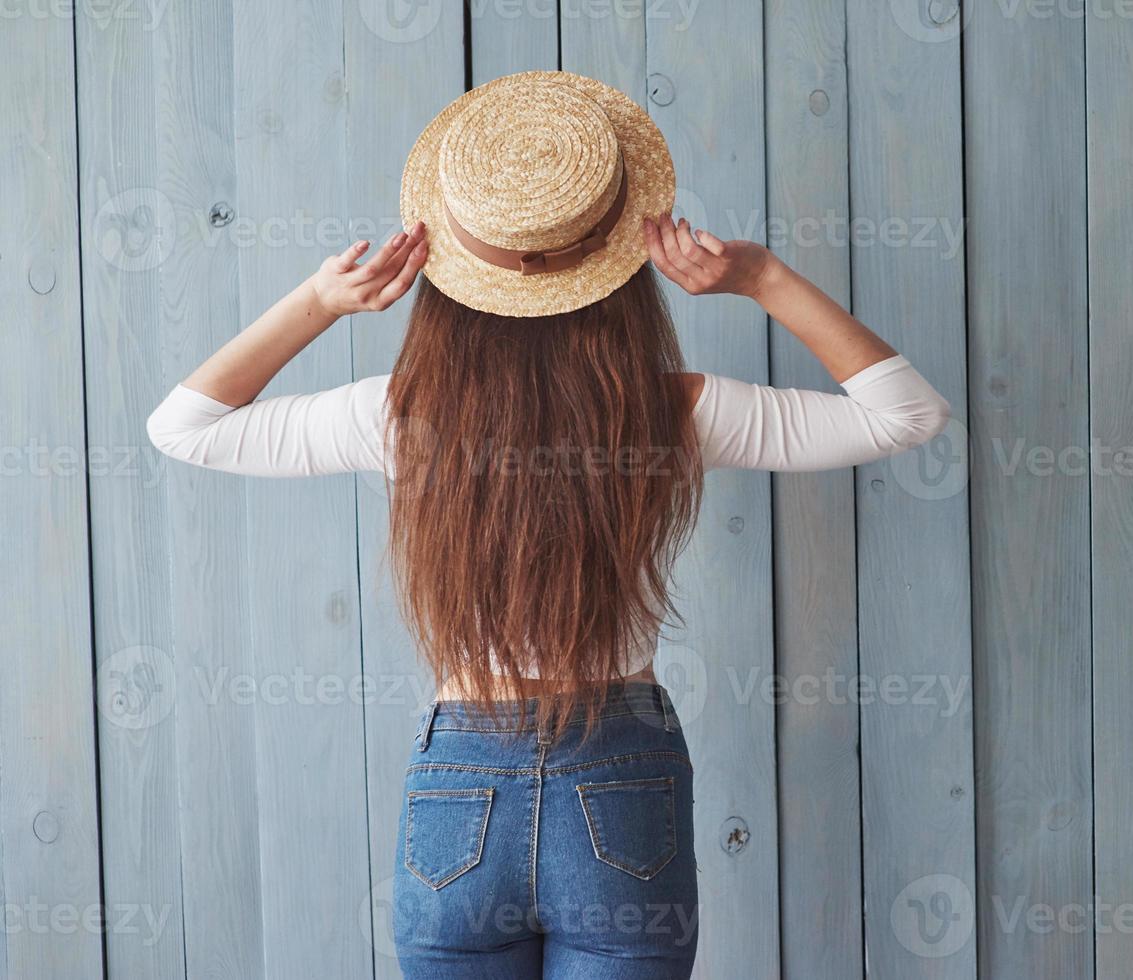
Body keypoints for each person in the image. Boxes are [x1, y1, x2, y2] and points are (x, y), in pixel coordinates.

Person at [147, 70, 950, 979]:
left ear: (446, 263)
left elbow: (182, 428)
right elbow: (905, 416)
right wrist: (760, 276)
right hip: (620, 779)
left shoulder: (399, 416)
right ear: (618, 264)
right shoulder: (668, 414)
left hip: (459, 792)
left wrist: (321, 302)